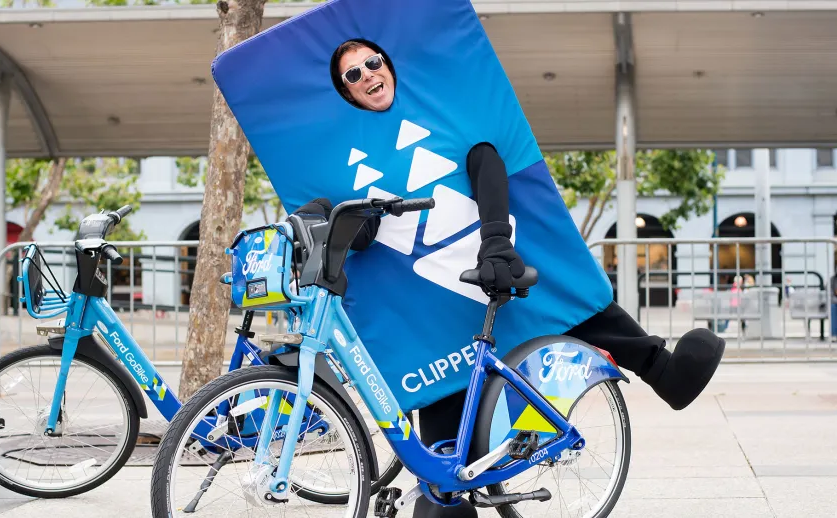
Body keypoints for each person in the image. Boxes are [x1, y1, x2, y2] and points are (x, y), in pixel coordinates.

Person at [310, 42, 726, 518]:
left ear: (390, 65)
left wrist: (495, 239)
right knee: (435, 365)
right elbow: (364, 230)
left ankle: (662, 370)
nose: (366, 74)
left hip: (492, 250)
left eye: (372, 63)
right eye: (351, 75)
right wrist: (326, 220)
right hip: (431, 287)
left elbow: (484, 159)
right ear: (346, 93)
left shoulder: (442, 115)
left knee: (565, 304)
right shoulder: (351, 156)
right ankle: (445, 492)